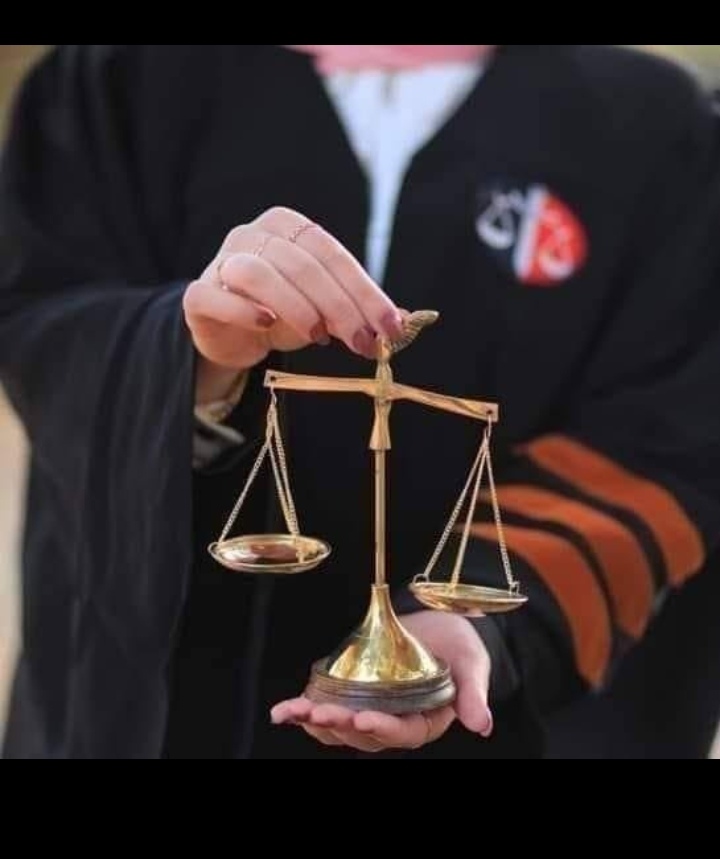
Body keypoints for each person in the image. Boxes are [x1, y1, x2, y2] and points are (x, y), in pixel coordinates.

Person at [1, 44, 720, 760]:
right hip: (183, 714)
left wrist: (479, 620)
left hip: (514, 722)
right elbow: (39, 319)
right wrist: (196, 355)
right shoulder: (115, 80)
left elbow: (672, 429)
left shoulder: (656, 124)